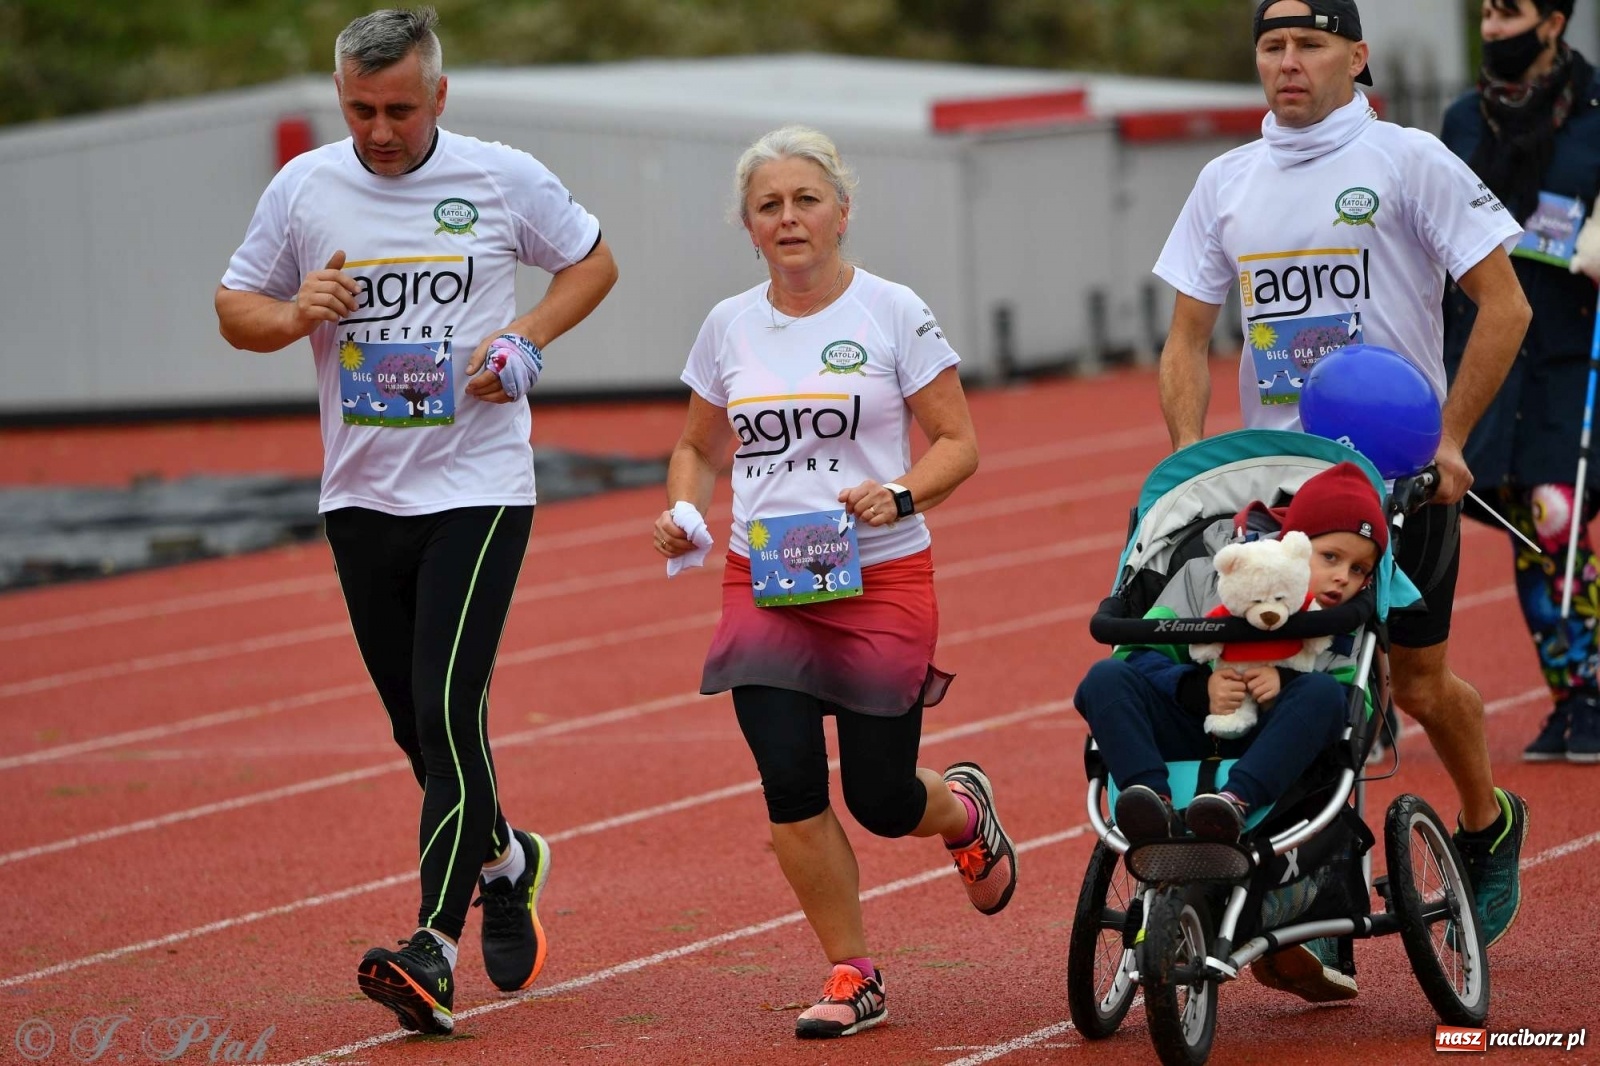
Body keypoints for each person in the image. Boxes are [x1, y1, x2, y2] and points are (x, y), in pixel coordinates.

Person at [213, 7, 618, 1035]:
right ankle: (507, 859)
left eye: (399, 108)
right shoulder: (303, 186)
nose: (380, 129)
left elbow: (592, 263)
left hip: (477, 485)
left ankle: (432, 946)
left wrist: (523, 340)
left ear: (440, 96)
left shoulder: (496, 176)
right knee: (414, 726)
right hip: (360, 493)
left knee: (447, 707)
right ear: (339, 95)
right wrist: (297, 310)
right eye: (360, 109)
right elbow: (234, 310)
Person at [1152, 0, 1533, 950]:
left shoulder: (1407, 160)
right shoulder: (1225, 180)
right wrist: (1186, 460)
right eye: (1272, 46)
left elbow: (1507, 306)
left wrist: (1449, 440)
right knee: (1291, 679)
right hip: (1278, 488)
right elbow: (1187, 340)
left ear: (1355, 56)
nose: (1289, 62)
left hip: (1398, 480)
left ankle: (1487, 822)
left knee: (1415, 684)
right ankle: (1311, 892)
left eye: (1310, 45)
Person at [651, 125, 1017, 1040]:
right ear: (748, 226)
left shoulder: (892, 311)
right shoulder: (729, 324)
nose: (788, 218)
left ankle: (962, 810)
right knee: (788, 782)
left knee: (882, 800)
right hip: (766, 582)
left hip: (879, 582)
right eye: (768, 205)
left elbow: (961, 446)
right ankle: (853, 972)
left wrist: (897, 493)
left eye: (805, 200)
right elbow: (697, 446)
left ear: (842, 212)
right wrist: (688, 511)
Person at [1076, 461, 1385, 1002]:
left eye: (1361, 570)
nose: (1345, 579)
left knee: (1321, 696)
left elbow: (1351, 707)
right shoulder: (1207, 577)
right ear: (1291, 545)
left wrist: (1288, 678)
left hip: (1274, 758)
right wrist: (1197, 687)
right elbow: (1136, 656)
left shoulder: (1341, 620)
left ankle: (1233, 804)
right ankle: (1149, 801)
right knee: (1105, 677)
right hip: (1189, 724)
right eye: (1330, 558)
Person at [1440, 0, 1600, 763]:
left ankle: (1590, 693)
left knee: (1555, 512)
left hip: (1573, 350)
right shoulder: (1463, 121)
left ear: (1556, 21)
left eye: (1511, 13)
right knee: (1518, 518)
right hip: (1490, 349)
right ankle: (1571, 690)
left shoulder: (1597, 114)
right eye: (1486, 14)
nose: (1494, 29)